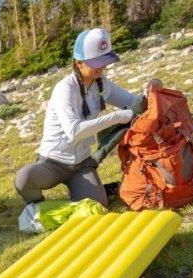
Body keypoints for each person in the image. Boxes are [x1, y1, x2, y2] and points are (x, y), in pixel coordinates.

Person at [14, 28, 158, 207]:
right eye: (97, 62)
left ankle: (81, 191)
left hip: (81, 164)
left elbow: (131, 103)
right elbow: (74, 131)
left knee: (98, 207)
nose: (102, 67)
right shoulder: (64, 89)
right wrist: (119, 117)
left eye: (105, 61)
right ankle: (37, 207)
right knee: (23, 179)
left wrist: (149, 93)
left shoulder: (102, 83)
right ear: (79, 62)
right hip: (52, 163)